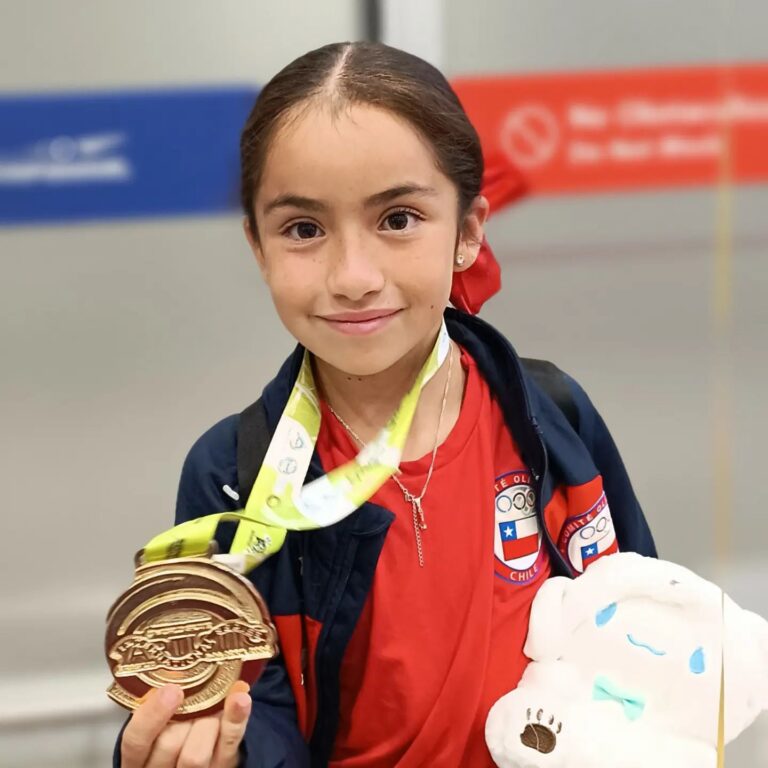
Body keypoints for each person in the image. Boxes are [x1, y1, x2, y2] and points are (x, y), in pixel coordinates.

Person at [115, 41, 656, 768]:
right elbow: (244, 710)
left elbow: (646, 626)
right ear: (257, 244)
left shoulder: (552, 417)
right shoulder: (232, 476)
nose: (353, 276)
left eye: (398, 218)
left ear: (467, 232)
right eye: (304, 229)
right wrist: (207, 754)